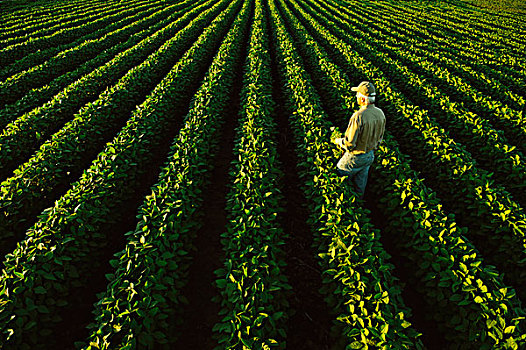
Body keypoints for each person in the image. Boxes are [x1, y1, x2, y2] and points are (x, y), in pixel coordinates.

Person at [333, 81, 385, 199]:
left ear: (362, 99)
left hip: (355, 157)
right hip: (370, 156)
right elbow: (380, 137)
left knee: (339, 176)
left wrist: (338, 141)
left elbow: (350, 143)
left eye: (357, 95)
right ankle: (358, 205)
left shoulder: (358, 116)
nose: (356, 96)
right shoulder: (380, 113)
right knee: (360, 184)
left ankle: (345, 204)